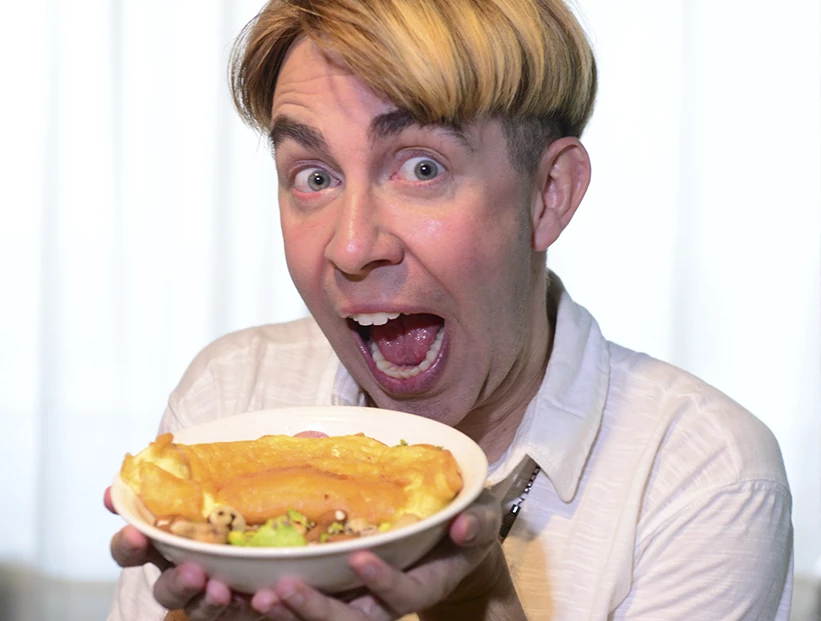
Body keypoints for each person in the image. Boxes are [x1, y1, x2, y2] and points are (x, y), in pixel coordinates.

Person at [105, 0, 794, 619]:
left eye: (422, 168)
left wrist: (475, 604)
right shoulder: (228, 396)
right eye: (314, 176)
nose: (351, 247)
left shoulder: (703, 477)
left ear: (548, 194)